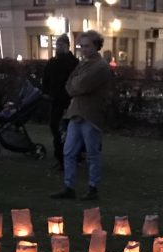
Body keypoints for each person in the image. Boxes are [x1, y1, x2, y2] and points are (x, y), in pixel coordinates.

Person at [50, 30, 113, 201]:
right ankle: (69, 186)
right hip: (76, 113)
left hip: (91, 114)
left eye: (87, 46)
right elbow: (70, 84)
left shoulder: (100, 67)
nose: (83, 50)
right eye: (81, 46)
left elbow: (80, 86)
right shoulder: (83, 64)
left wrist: (73, 86)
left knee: (92, 154)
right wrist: (73, 86)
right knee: (68, 151)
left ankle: (93, 188)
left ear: (96, 46)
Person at [41, 34, 77, 171]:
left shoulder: (72, 62)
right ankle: (60, 156)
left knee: (70, 128)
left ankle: (72, 155)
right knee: (55, 126)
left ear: (67, 46)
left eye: (61, 45)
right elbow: (46, 78)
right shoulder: (53, 62)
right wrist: (45, 91)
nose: (58, 47)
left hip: (69, 100)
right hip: (56, 99)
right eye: (57, 45)